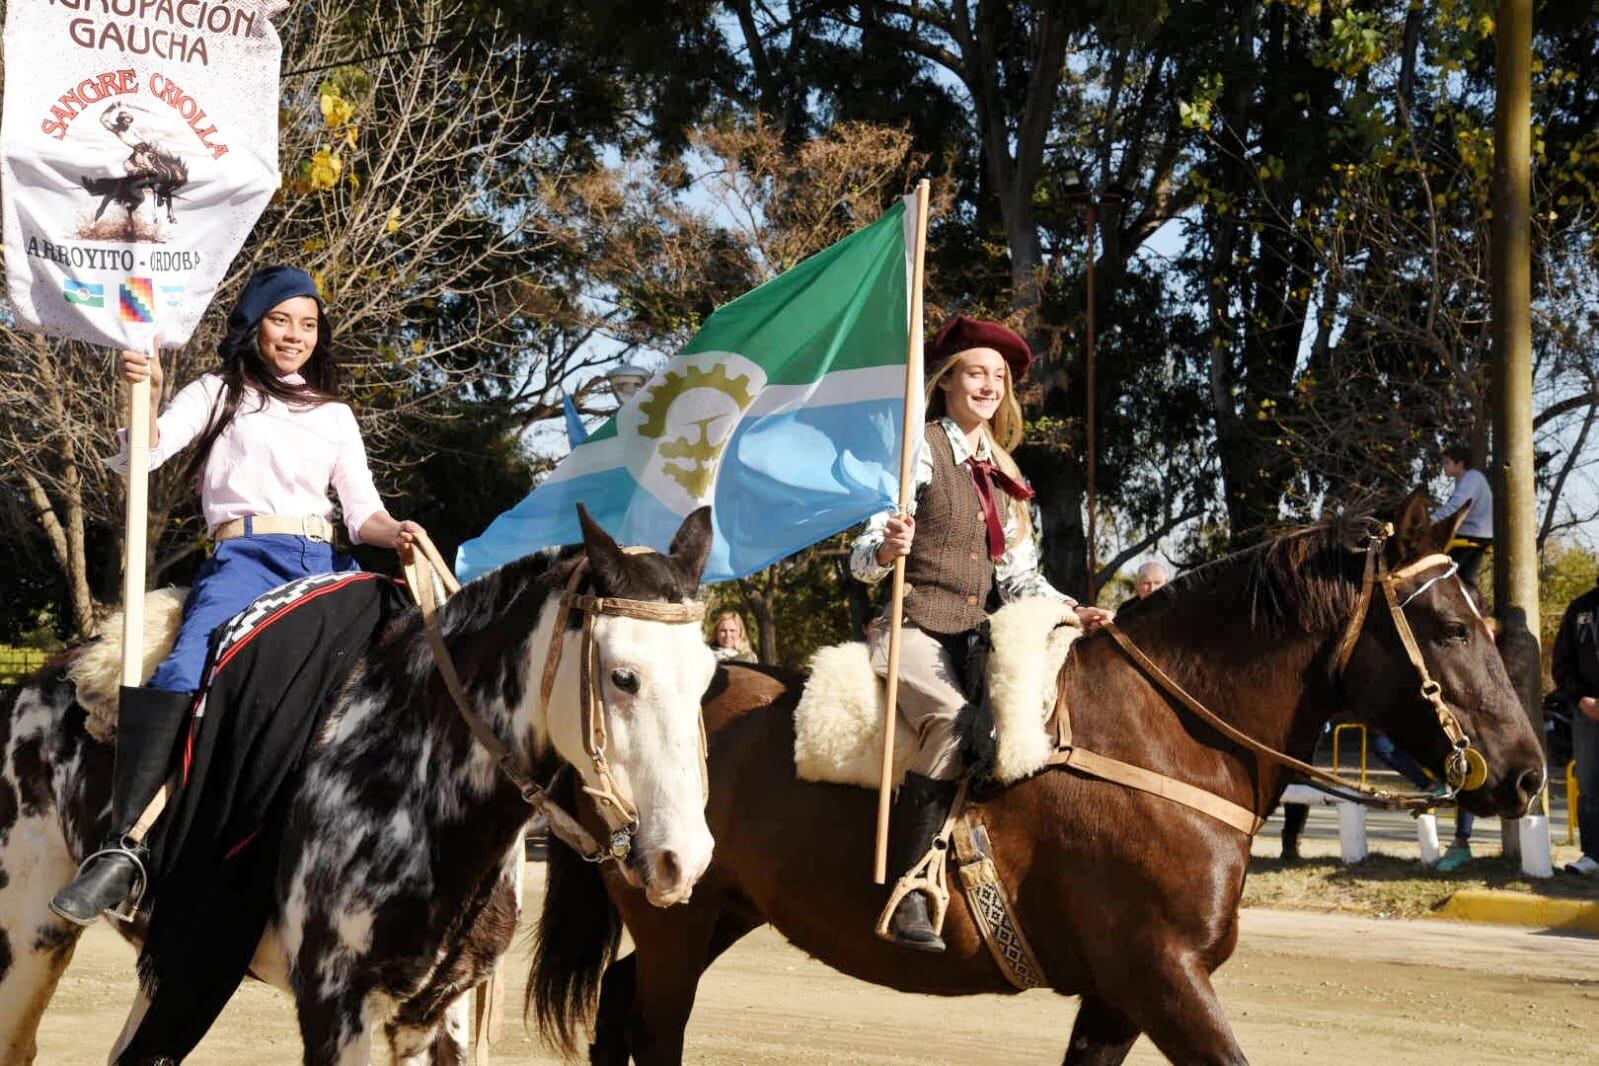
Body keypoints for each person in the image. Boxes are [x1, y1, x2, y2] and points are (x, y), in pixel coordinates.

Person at [50, 265, 429, 926]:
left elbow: (361, 508)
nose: (295, 335)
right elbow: (144, 454)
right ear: (255, 325)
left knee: (401, 656)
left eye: (308, 324)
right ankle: (124, 846)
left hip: (324, 561)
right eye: (282, 320)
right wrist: (144, 395)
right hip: (244, 558)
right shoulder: (217, 391)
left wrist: (393, 531)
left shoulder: (335, 414)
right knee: (185, 664)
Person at [850, 315, 1112, 952]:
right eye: (977, 372)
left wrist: (1072, 609)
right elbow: (859, 557)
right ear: (946, 382)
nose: (989, 385)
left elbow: (1019, 575)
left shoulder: (1003, 469)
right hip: (910, 622)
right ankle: (912, 890)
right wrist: (887, 549)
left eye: (999, 377)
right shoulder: (917, 450)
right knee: (950, 719)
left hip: (974, 632)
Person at [1551, 578, 1599, 876]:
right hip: (1589, 713)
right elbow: (1562, 664)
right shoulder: (1581, 609)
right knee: (1590, 784)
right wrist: (1583, 699)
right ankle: (1593, 854)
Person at [1433, 443, 1492, 585]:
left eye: (1447, 462)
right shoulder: (1467, 479)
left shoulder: (1471, 478)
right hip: (1477, 535)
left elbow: (1455, 506)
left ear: (1460, 463)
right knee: (1464, 579)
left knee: (1445, 575)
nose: (1444, 467)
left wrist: (1431, 519)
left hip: (1471, 535)